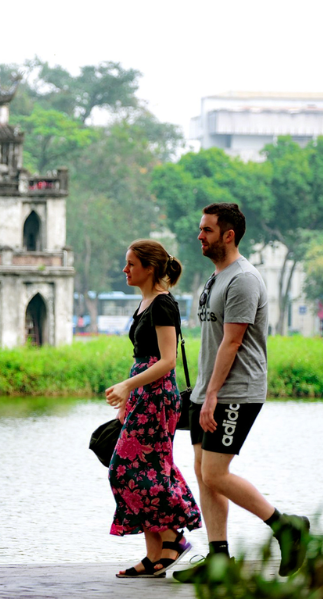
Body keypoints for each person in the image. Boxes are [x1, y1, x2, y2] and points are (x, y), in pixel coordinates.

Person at [174, 203, 309, 583]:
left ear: (228, 235)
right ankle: (219, 559)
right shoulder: (215, 278)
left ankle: (287, 527)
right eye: (200, 229)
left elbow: (232, 342)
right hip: (208, 391)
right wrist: (203, 392)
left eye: (207, 230)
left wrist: (213, 395)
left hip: (236, 391)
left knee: (215, 473)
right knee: (203, 472)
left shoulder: (244, 279)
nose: (199, 236)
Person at [105, 239, 202, 578]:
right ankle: (154, 554)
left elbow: (167, 360)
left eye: (131, 264)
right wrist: (128, 398)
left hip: (158, 397)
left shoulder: (163, 304)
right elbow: (143, 357)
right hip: (142, 397)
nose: (125, 269)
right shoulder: (145, 302)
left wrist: (127, 386)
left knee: (127, 469)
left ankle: (174, 539)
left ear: (149, 268)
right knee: (141, 470)